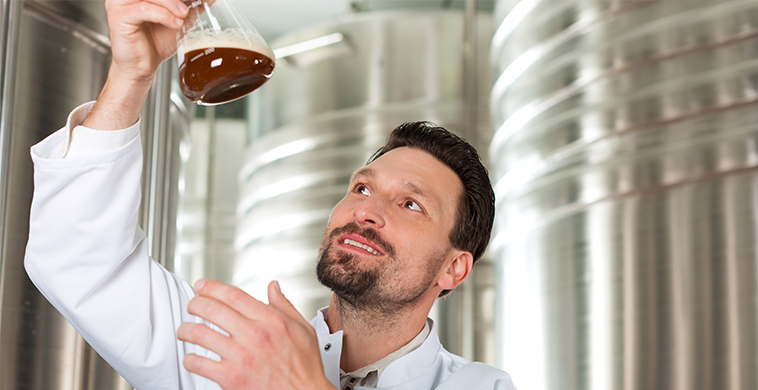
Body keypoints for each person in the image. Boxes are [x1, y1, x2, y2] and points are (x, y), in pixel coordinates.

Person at [23, 0, 516, 389]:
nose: (366, 210)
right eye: (362, 187)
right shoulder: (233, 350)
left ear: (455, 267)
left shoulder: (481, 387)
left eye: (410, 204)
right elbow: (76, 257)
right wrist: (132, 74)